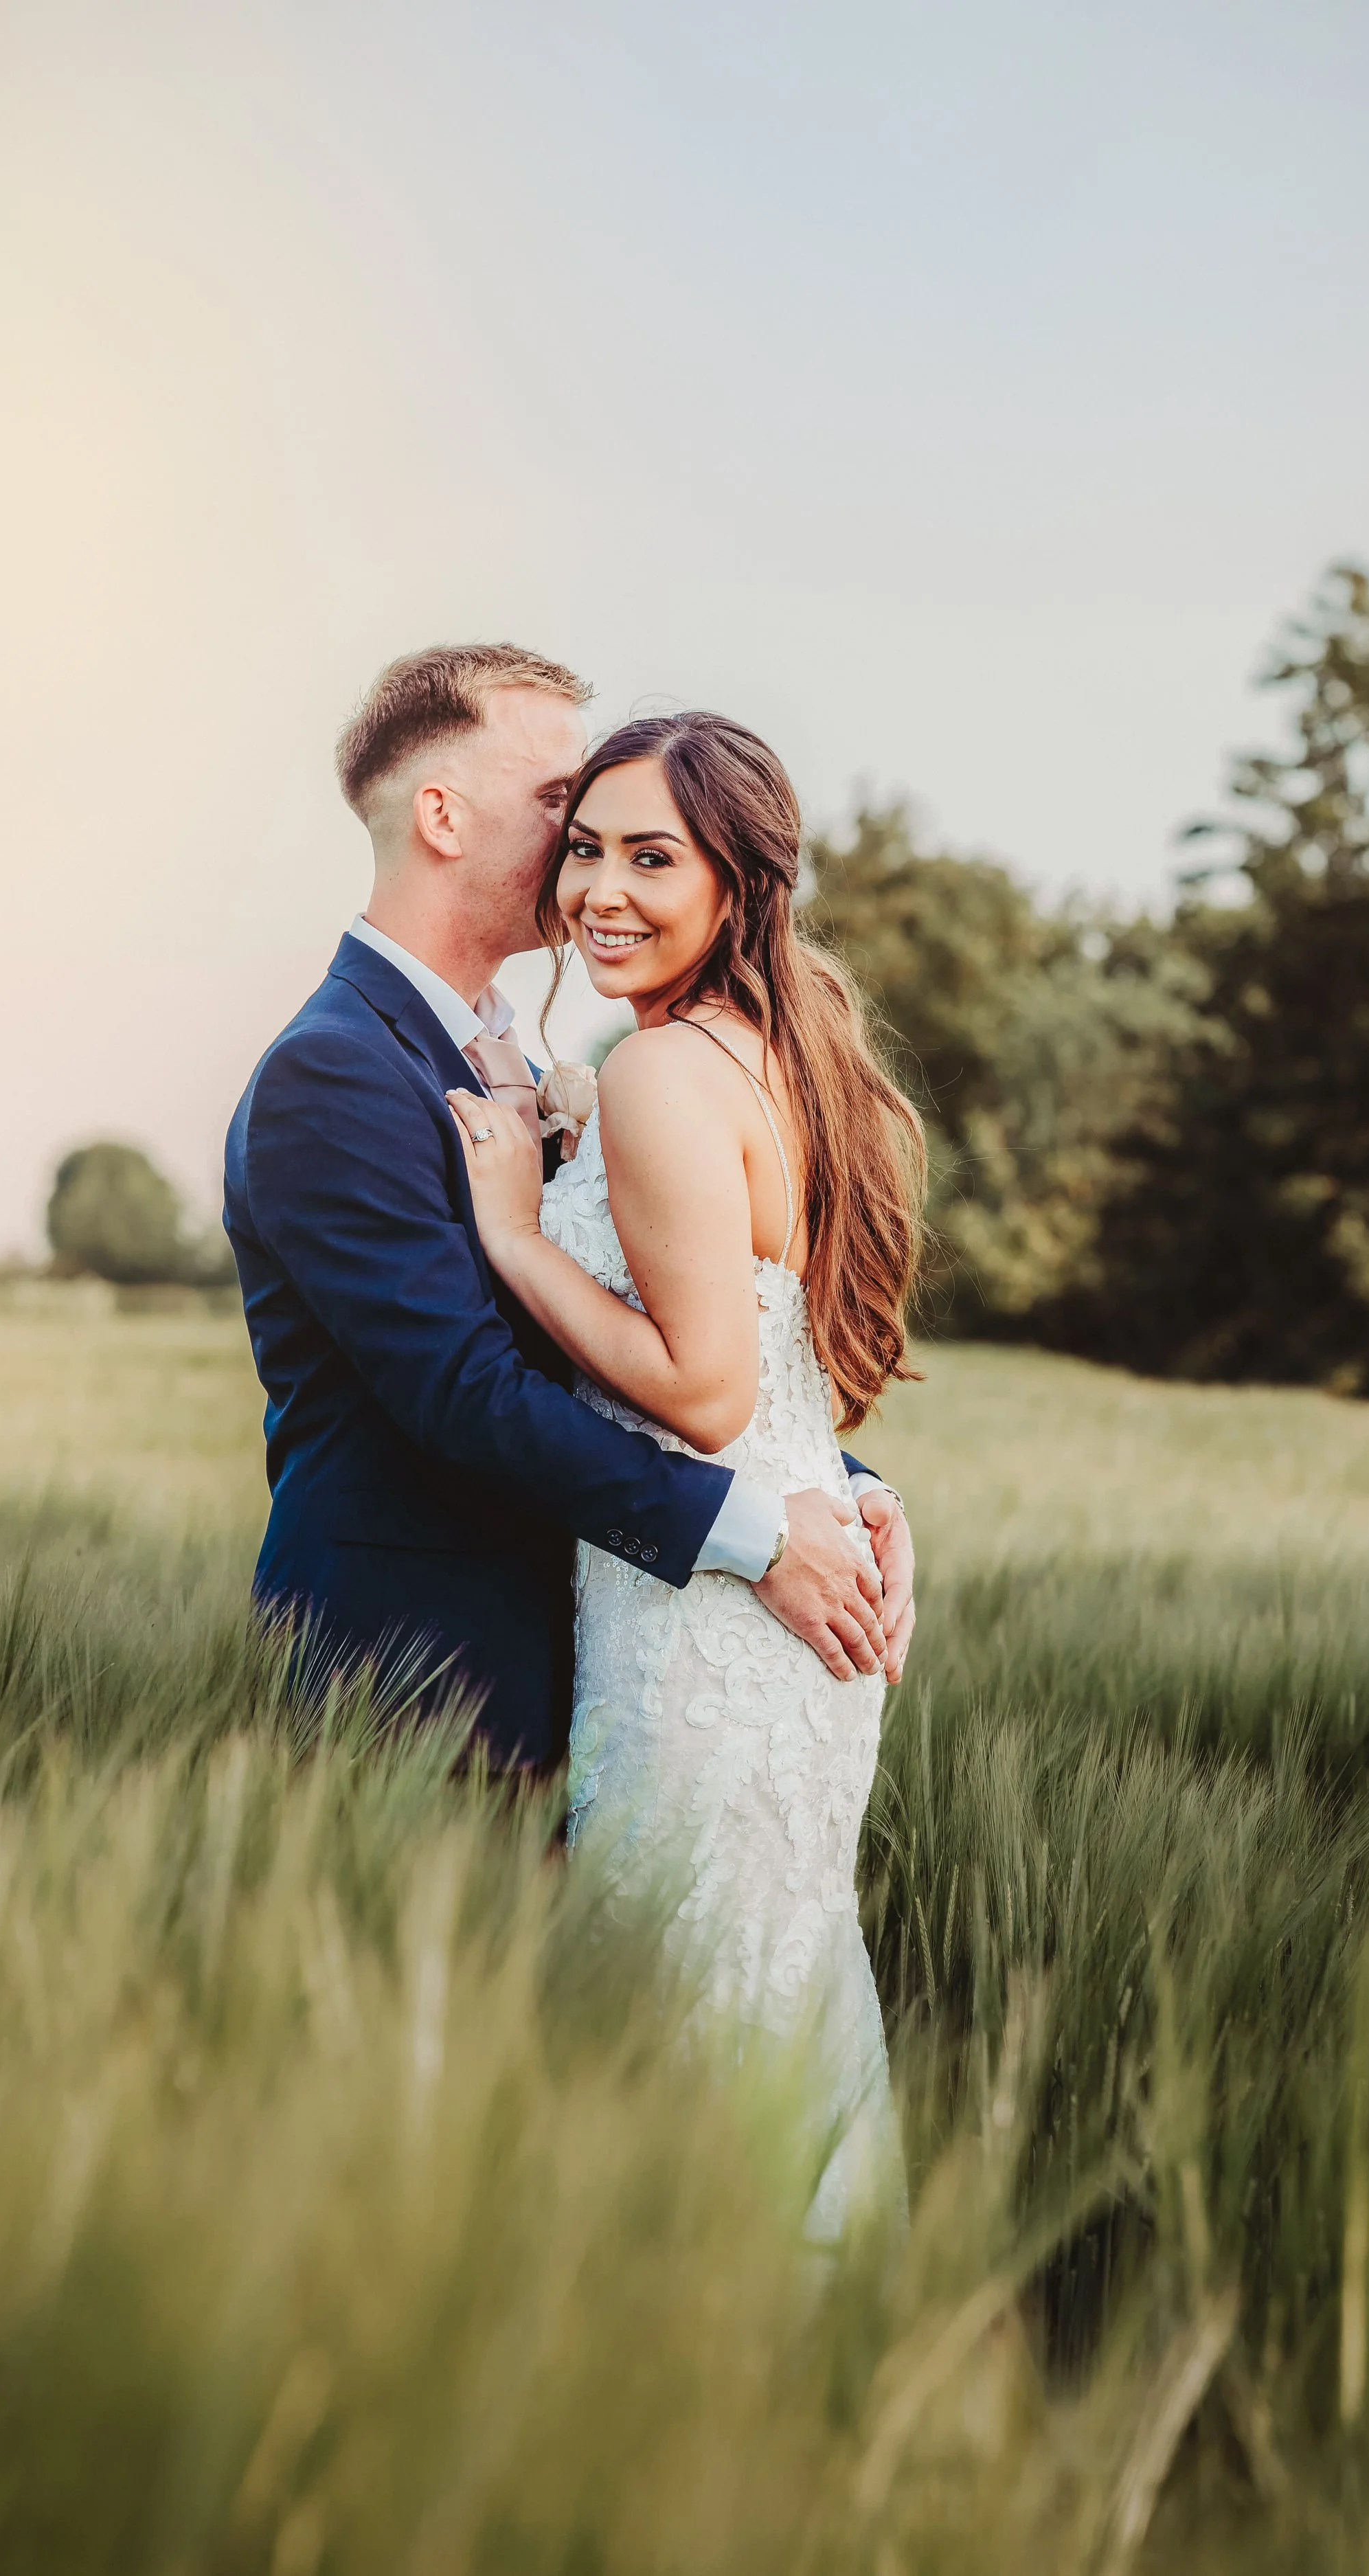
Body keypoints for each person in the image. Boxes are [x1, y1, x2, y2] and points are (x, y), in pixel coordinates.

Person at [223, 646, 916, 1778]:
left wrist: (844, 1490)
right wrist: (761, 1534)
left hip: (594, 1657)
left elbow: (646, 1331)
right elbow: (469, 1394)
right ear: (442, 816)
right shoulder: (334, 1071)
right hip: (416, 1669)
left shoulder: (533, 1054)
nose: (588, 832)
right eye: (560, 801)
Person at [446, 711, 925, 2228]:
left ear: (738, 880)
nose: (599, 889)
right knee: (774, 1999)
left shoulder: (660, 1072)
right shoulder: (784, 1058)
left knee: (696, 2019)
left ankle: (718, 2376)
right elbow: (791, 1373)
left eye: (651, 856)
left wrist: (520, 1233)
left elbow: (709, 1395)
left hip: (707, 1633)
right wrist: (859, 1488)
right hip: (786, 1610)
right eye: (582, 848)